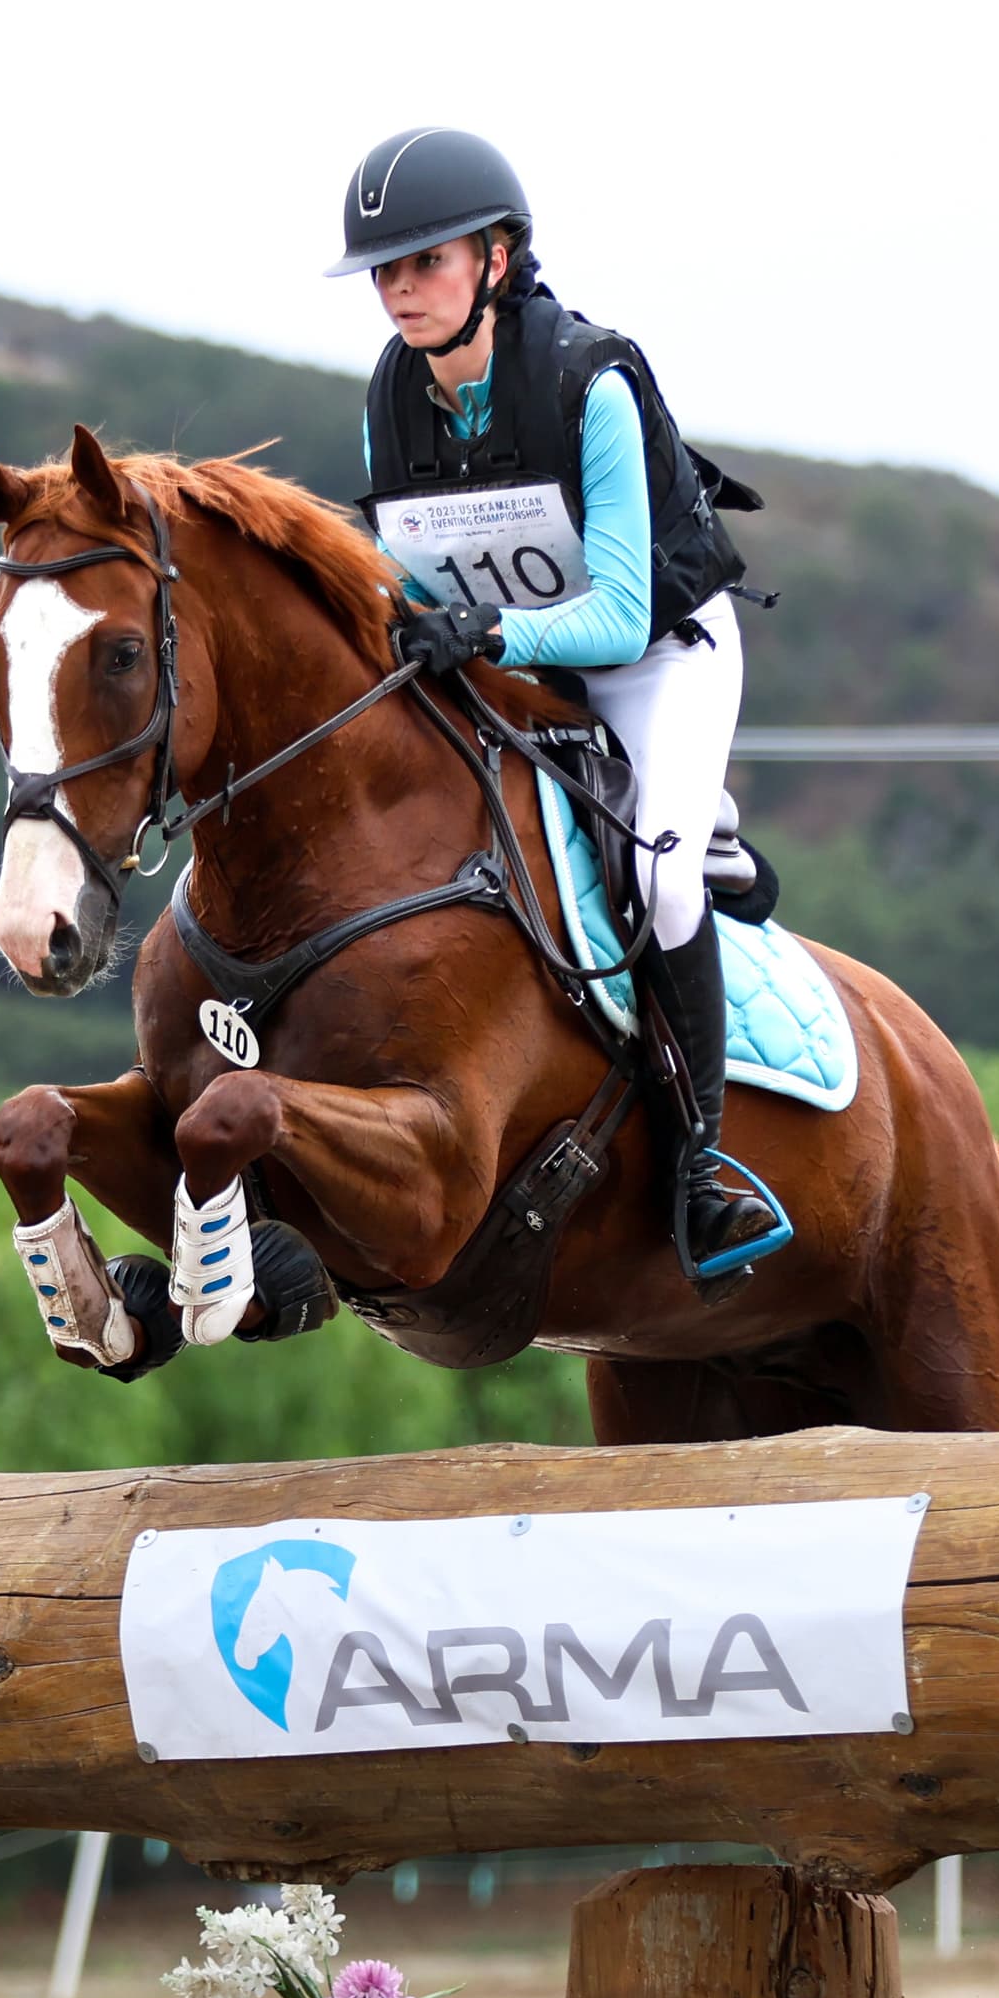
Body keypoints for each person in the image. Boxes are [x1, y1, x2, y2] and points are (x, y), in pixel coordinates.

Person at [329, 127, 788, 1281]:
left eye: (424, 261)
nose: (399, 289)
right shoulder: (393, 399)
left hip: (656, 658)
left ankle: (704, 1168)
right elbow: (419, 565)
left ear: (496, 258)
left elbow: (621, 613)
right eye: (385, 270)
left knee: (658, 874)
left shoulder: (594, 381)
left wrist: (482, 632)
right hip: (521, 662)